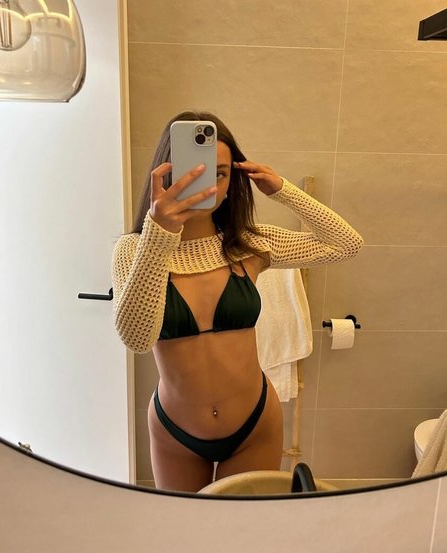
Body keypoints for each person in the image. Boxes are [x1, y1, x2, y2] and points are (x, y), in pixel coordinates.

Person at [112, 111, 364, 493]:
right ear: (165, 175)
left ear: (233, 182)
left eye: (220, 174)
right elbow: (136, 338)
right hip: (176, 432)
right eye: (193, 173)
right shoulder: (135, 251)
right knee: (187, 527)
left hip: (254, 424)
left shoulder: (249, 243)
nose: (207, 186)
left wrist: (282, 190)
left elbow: (347, 244)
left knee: (242, 527)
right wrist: (158, 234)